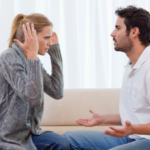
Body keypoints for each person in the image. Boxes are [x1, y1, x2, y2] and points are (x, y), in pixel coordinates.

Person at [63, 6, 150, 150]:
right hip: (130, 138)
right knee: (68, 138)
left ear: (134, 31)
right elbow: (137, 114)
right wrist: (102, 119)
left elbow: (133, 126)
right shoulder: (131, 66)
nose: (112, 33)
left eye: (117, 28)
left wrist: (133, 130)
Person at [0, 13, 71, 150]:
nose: (50, 43)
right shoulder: (9, 58)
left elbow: (57, 91)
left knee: (62, 144)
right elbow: (33, 99)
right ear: (30, 37)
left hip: (30, 134)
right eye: (46, 38)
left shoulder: (34, 62)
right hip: (7, 137)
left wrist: (54, 53)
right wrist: (33, 55)